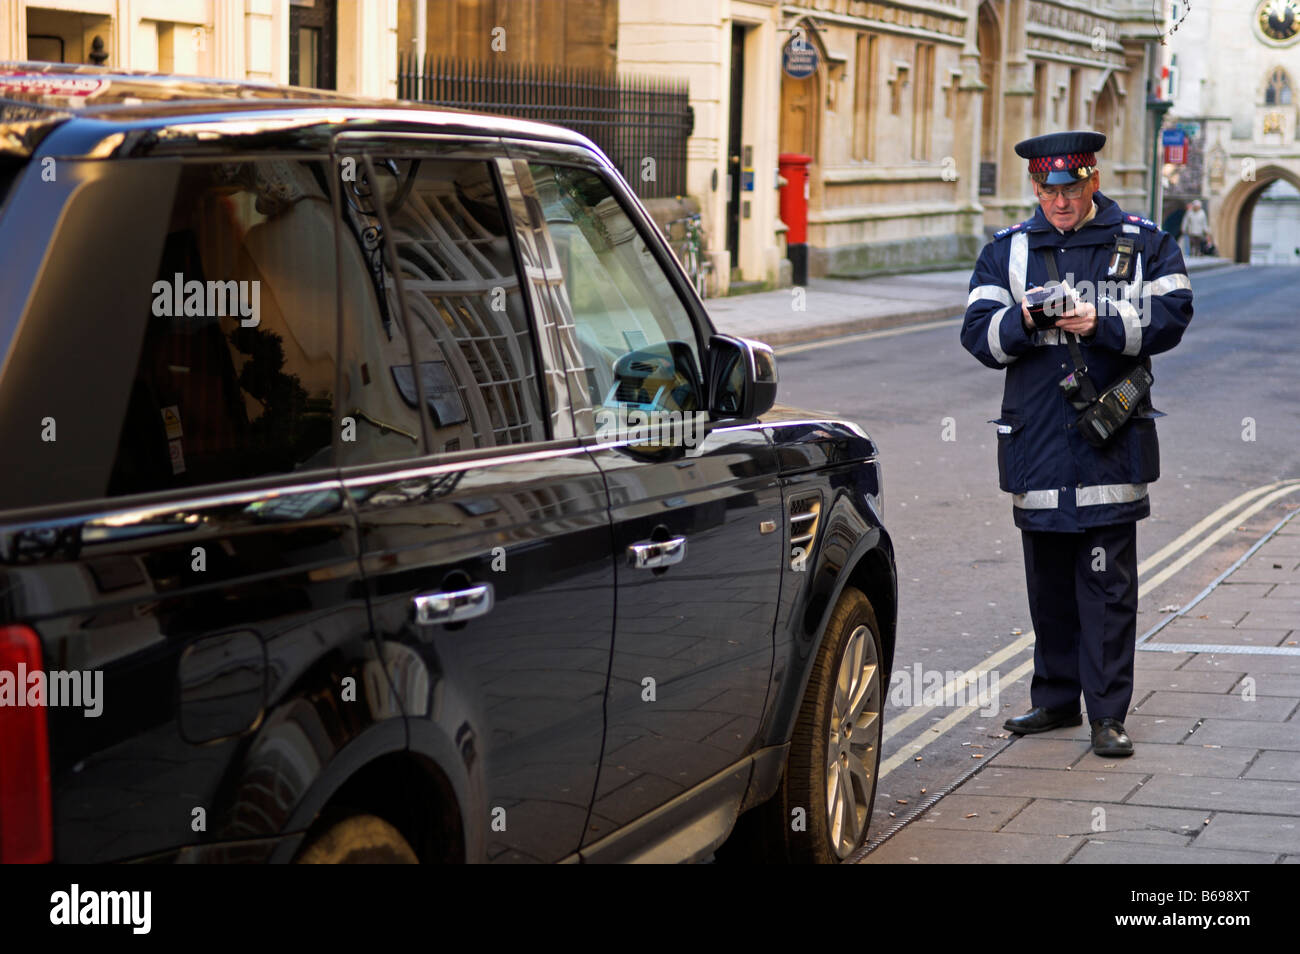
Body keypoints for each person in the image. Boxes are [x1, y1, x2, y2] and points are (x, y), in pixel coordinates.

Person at [960, 131, 1194, 757]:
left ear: (1092, 181)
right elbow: (978, 338)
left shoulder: (1144, 241)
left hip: (1108, 441)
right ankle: (1056, 700)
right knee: (1050, 584)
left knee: (1109, 588)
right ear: (1034, 188)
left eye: (1071, 188)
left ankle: (1108, 717)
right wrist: (1027, 318)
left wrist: (1103, 323)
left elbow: (1175, 314)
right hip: (1038, 441)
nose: (1059, 202)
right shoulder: (1008, 251)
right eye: (1048, 190)